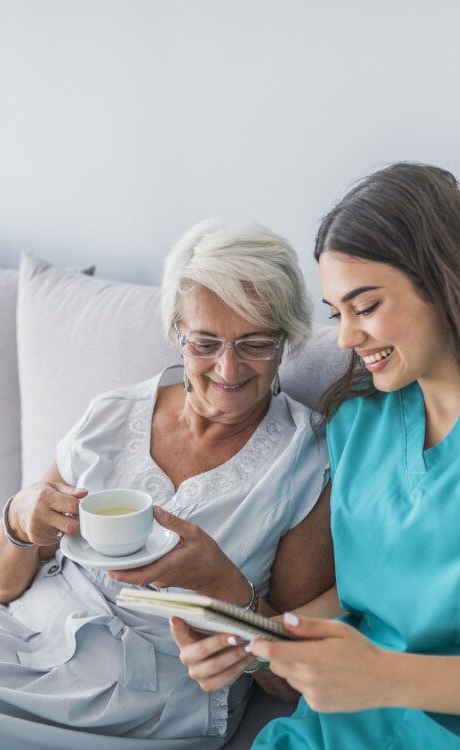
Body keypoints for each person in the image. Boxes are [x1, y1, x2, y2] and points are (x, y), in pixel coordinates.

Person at [0, 218, 334, 749]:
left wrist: (222, 585)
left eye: (255, 343)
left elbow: (290, 679)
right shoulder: (113, 414)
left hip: (150, 693)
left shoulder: (305, 458)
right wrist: (22, 516)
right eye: (205, 342)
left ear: (287, 340)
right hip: (28, 638)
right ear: (177, 332)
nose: (228, 368)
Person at [171, 163, 460, 749]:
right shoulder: (358, 425)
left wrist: (387, 677)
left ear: (443, 279)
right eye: (336, 313)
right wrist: (257, 642)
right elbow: (358, 599)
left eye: (367, 305)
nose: (347, 339)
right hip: (333, 730)